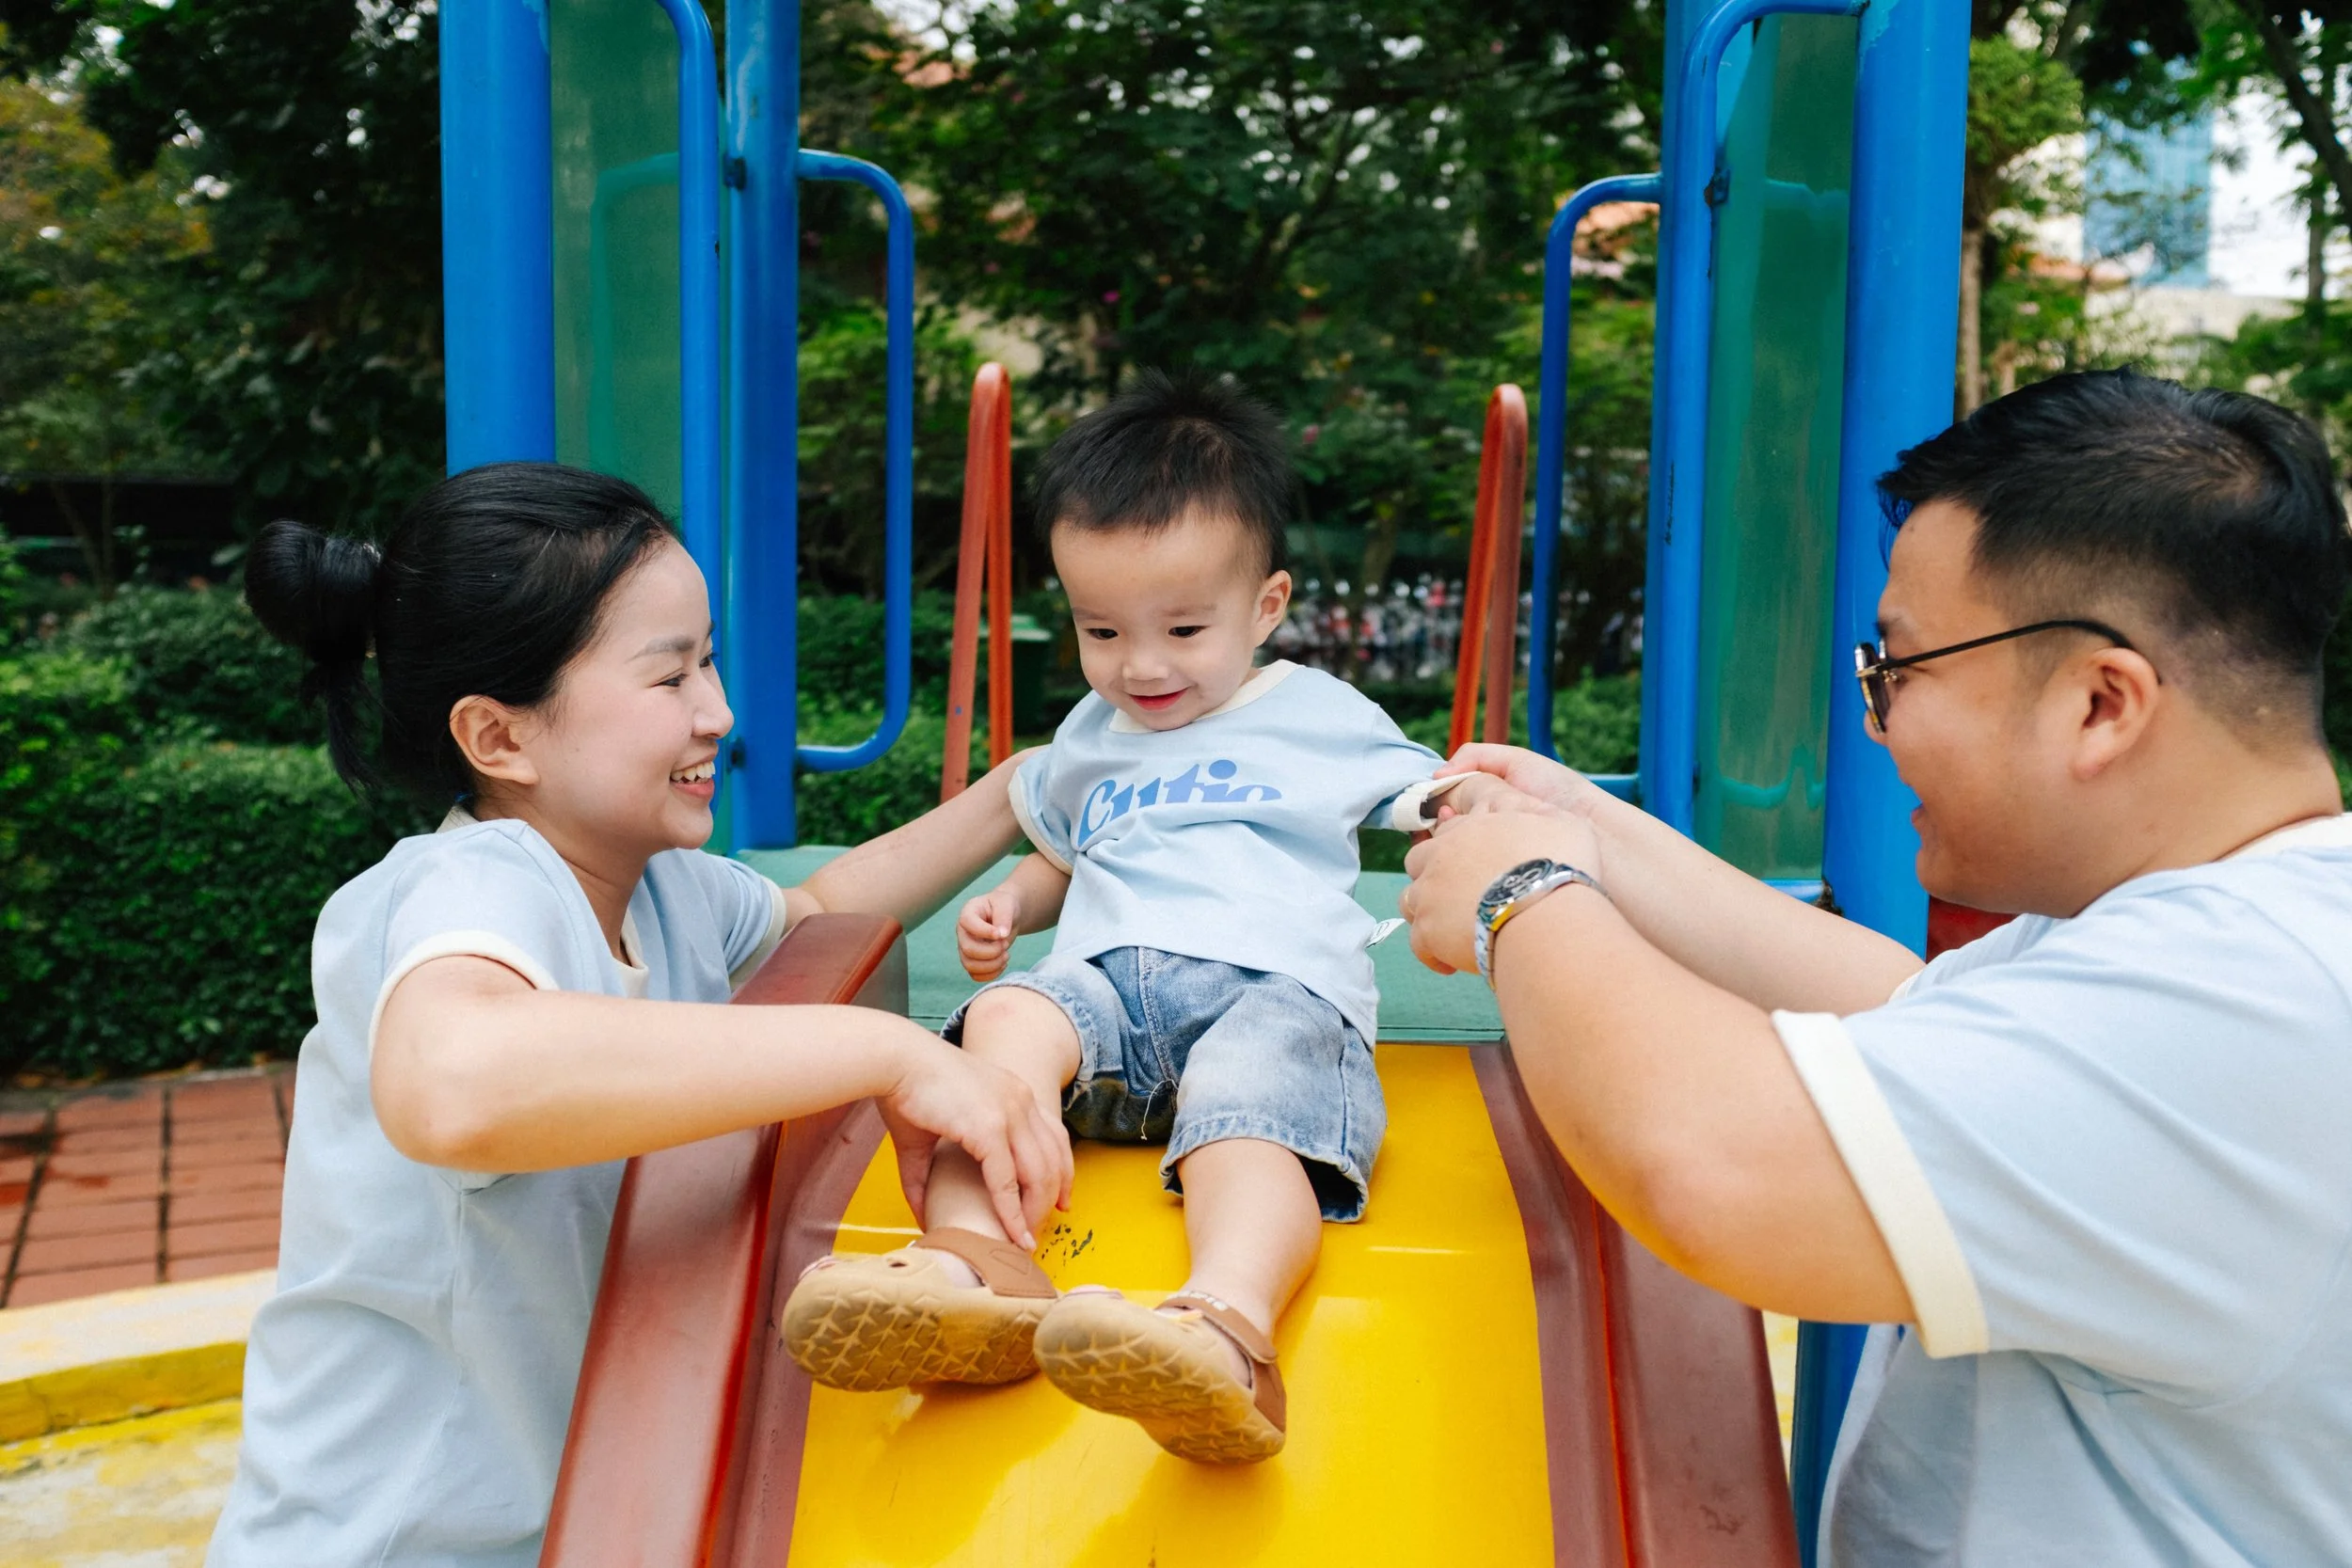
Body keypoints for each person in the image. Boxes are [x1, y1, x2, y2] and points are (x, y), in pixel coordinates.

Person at [1400, 369, 2352, 1566]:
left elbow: (1716, 1163)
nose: (1875, 717)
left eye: (1900, 668)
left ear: (2102, 702)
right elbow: (1900, 1006)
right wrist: (1584, 825)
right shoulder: (2219, 928)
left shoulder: (2242, 997)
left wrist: (1522, 895)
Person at [207, 463, 1072, 1568]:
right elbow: (451, 1083)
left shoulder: (655, 884)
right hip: (389, 1542)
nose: (718, 709)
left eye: (706, 658)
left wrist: (1017, 790)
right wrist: (886, 1051)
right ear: (500, 737)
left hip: (550, 1521)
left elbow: (819, 908)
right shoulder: (477, 880)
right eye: (670, 678)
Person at [780, 372, 1450, 1463]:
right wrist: (1016, 900)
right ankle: (967, 1270)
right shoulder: (1093, 732)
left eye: (1184, 626)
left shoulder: (1322, 716)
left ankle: (1222, 1326)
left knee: (1250, 1109)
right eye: (1102, 629)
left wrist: (1473, 818)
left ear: (1266, 605)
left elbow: (1421, 800)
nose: (1140, 665)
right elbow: (1068, 849)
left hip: (1274, 984)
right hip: (1110, 985)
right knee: (998, 1030)